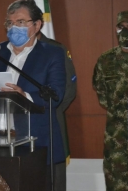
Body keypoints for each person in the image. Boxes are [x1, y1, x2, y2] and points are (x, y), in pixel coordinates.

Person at [0, 0, 67, 191]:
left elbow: (56, 95)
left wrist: (24, 96)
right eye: (10, 23)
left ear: (37, 25)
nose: (14, 28)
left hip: (33, 143)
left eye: (20, 22)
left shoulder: (52, 54)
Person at [93, 11, 128, 191]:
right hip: (116, 134)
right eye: (121, 27)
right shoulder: (105, 60)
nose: (125, 31)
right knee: (116, 186)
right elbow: (101, 92)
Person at [37, 30, 77, 190]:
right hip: (22, 125)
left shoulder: (56, 49)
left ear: (37, 24)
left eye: (21, 22)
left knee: (54, 177)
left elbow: (69, 88)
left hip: (51, 119)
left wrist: (52, 110)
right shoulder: (10, 52)